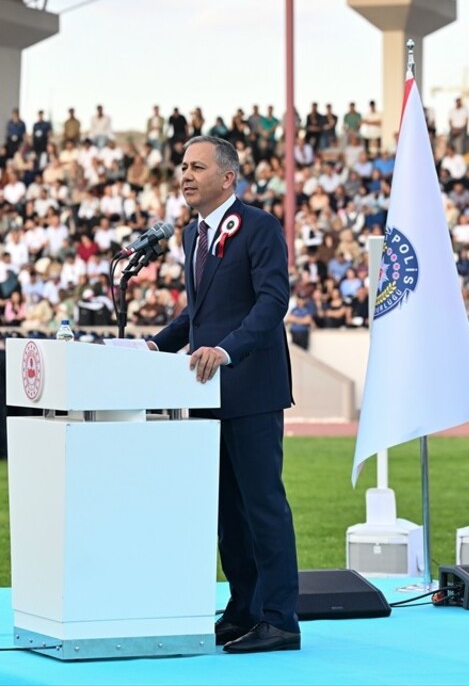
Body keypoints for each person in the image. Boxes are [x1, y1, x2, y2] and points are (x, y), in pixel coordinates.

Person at [147, 135, 300, 654]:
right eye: (182, 167)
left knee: (263, 507)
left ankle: (281, 619)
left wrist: (227, 349)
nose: (185, 175)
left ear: (228, 177)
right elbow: (199, 313)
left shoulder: (258, 227)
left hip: (252, 388)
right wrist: (157, 344)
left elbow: (272, 301)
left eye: (197, 167)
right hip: (209, 394)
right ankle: (243, 610)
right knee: (227, 513)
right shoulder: (193, 235)